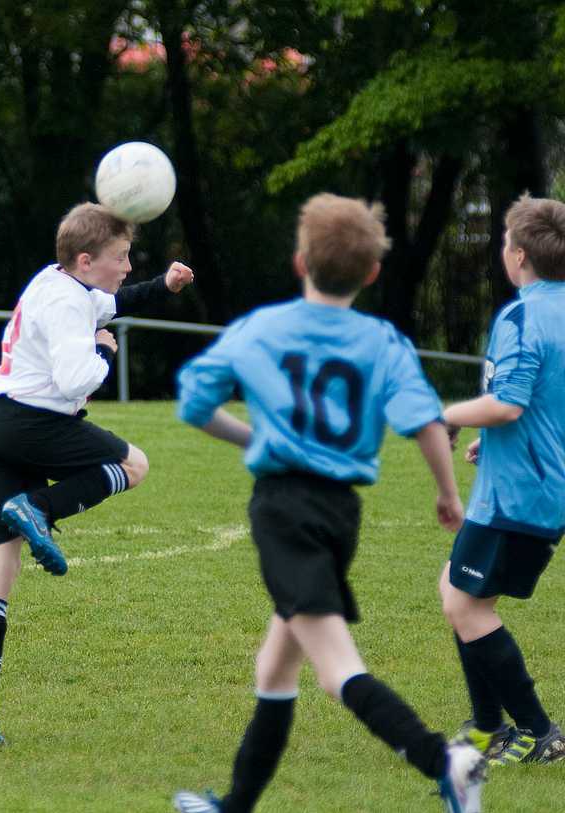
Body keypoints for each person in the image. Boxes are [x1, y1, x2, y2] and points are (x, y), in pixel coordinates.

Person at [173, 192, 487, 813]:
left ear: (299, 262)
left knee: (337, 670)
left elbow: (195, 402)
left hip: (284, 510)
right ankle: (234, 805)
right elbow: (425, 422)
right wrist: (448, 493)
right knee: (275, 670)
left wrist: (256, 438)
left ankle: (444, 762)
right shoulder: (382, 341)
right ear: (372, 273)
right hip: (339, 514)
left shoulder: (261, 328)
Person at [0, 201, 194, 744]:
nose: (127, 266)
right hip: (28, 421)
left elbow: (113, 302)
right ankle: (37, 508)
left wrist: (165, 285)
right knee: (134, 463)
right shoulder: (66, 302)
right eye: (121, 257)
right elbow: (75, 378)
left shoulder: (59, 282)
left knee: (2, 563)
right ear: (86, 261)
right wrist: (102, 351)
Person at [439, 193, 565, 766]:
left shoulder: (521, 316)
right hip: (538, 484)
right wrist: (492, 441)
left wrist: (447, 415)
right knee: (458, 590)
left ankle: (538, 731)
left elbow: (509, 403)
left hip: (520, 493)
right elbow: (545, 400)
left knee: (465, 605)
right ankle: (488, 726)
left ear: (518, 256)